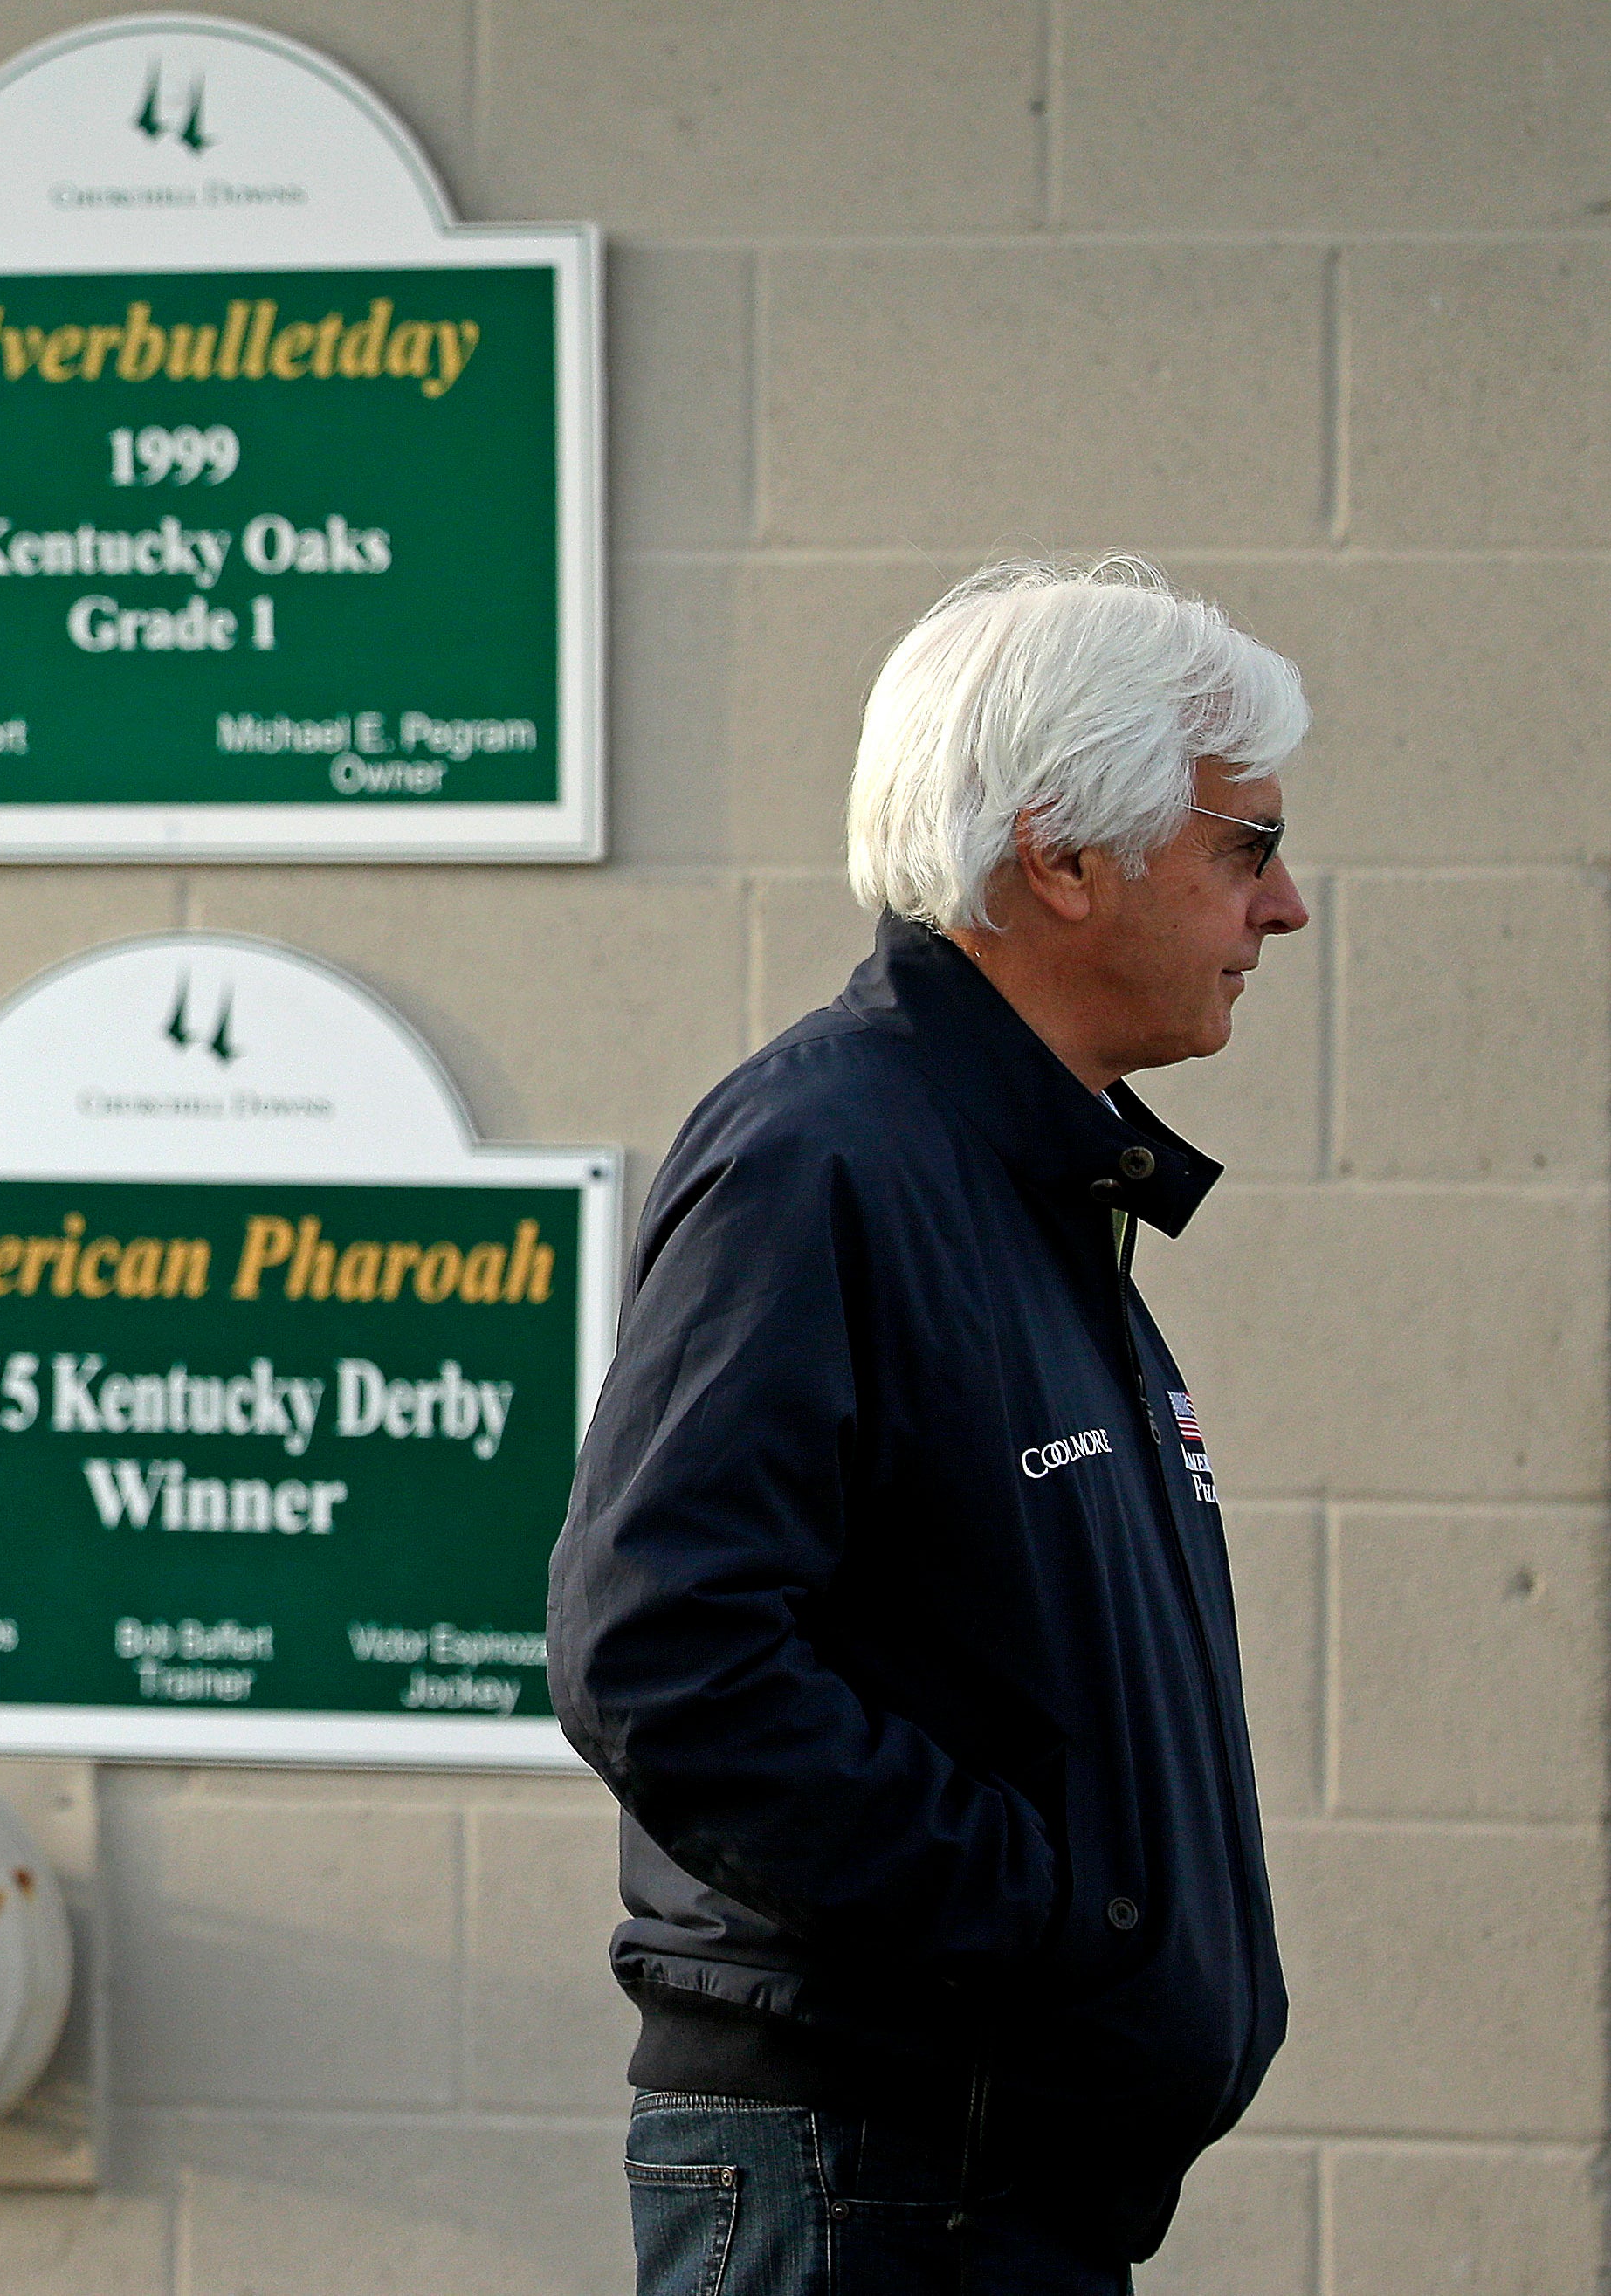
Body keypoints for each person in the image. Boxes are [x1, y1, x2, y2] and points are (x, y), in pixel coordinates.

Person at [550, 558, 1307, 2291]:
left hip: (978, 2179)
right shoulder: (830, 1157)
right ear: (1060, 856)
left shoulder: (1017, 1177)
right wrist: (1053, 1923)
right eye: (1243, 848)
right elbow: (662, 1647)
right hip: (873, 2179)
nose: (1281, 911)